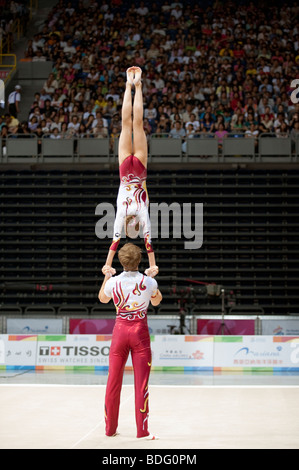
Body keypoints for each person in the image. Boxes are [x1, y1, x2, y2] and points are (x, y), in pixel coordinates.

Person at [99, 243, 162, 439]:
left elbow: (102, 298)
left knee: (113, 382)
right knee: (140, 383)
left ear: (121, 261)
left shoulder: (113, 282)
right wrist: (153, 280)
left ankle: (110, 430)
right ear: (139, 261)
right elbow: (156, 301)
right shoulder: (148, 282)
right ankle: (142, 431)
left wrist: (106, 275)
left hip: (120, 332)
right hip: (139, 333)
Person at [102, 66, 158, 278]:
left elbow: (144, 244)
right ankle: (133, 85)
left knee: (133, 124)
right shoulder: (129, 215)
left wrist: (108, 267)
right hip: (130, 170)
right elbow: (120, 244)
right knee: (131, 126)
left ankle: (133, 84)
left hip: (135, 169)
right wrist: (107, 266)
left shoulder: (135, 215)